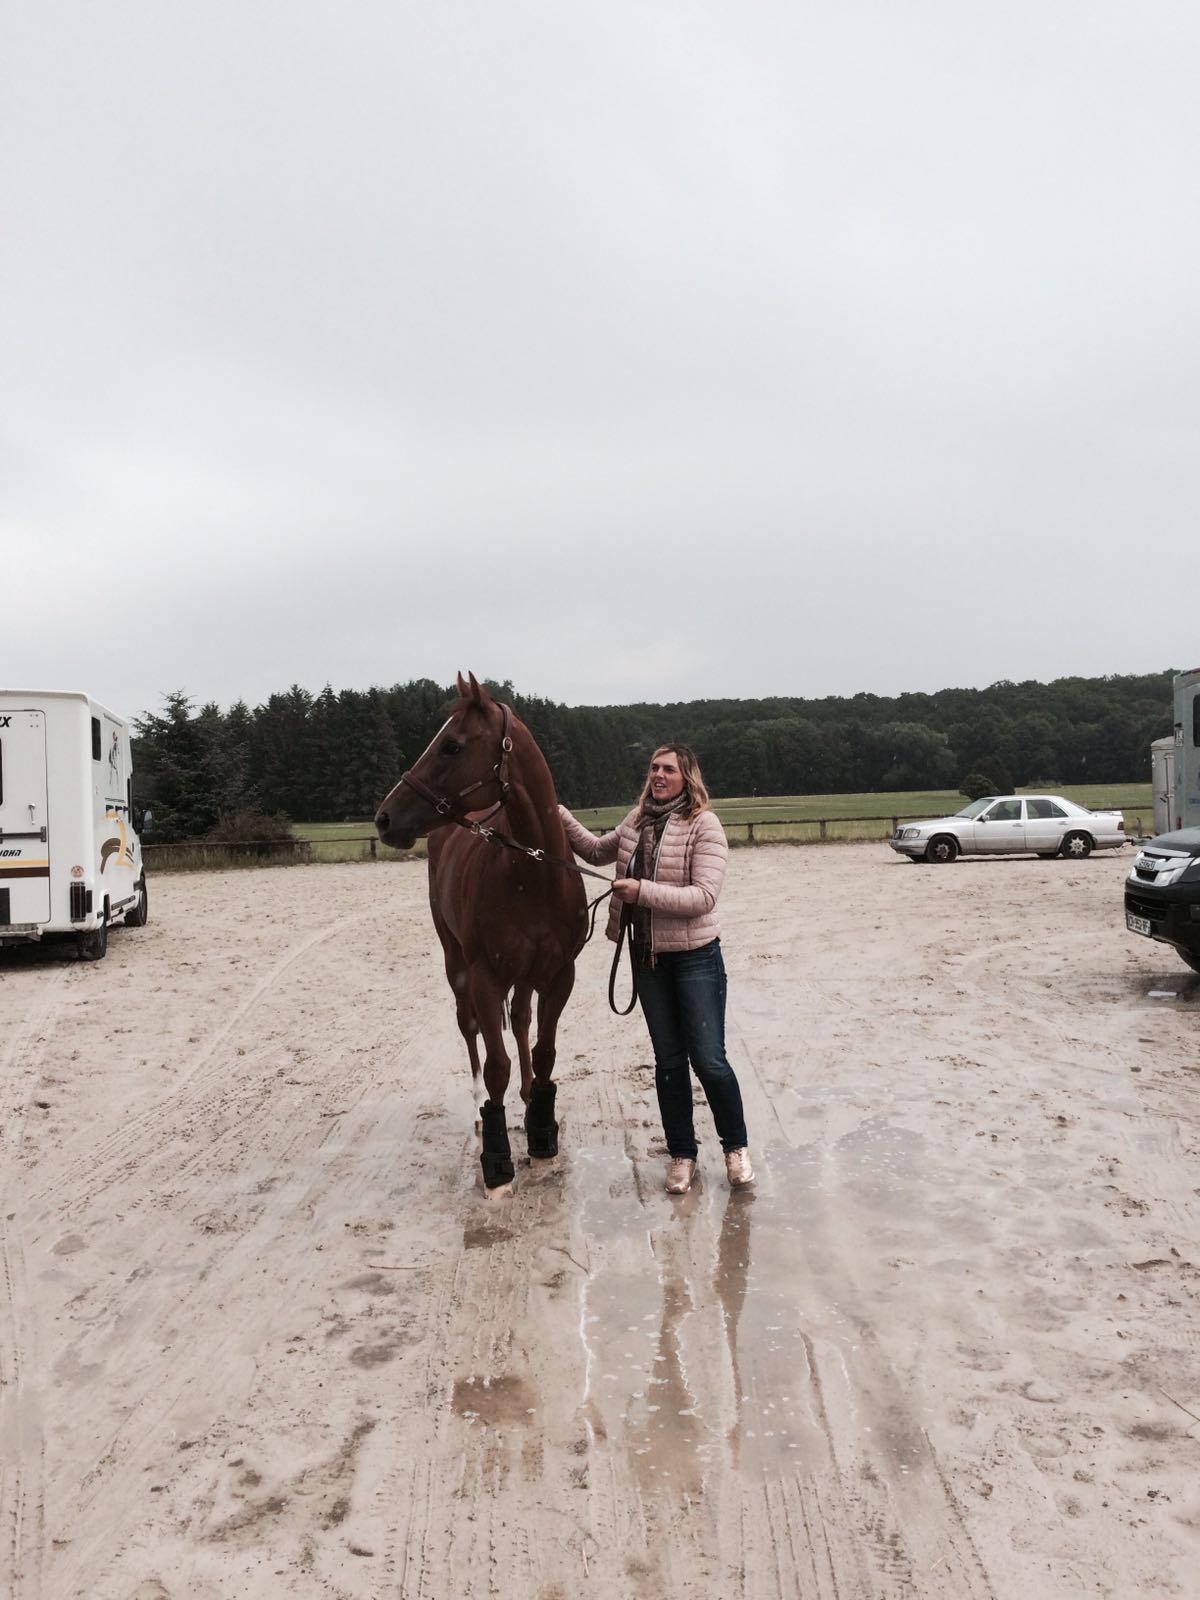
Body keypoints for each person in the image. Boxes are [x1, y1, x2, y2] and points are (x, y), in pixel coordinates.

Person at [559, 745, 754, 1194]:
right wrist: (559, 814)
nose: (658, 775)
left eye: (668, 769)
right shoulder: (637, 820)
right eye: (653, 768)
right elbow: (594, 850)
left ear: (688, 776)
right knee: (668, 1062)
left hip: (696, 958)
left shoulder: (704, 825)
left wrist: (641, 892)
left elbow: (703, 897)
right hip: (648, 959)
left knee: (709, 1060)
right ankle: (682, 1154)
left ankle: (736, 1147)